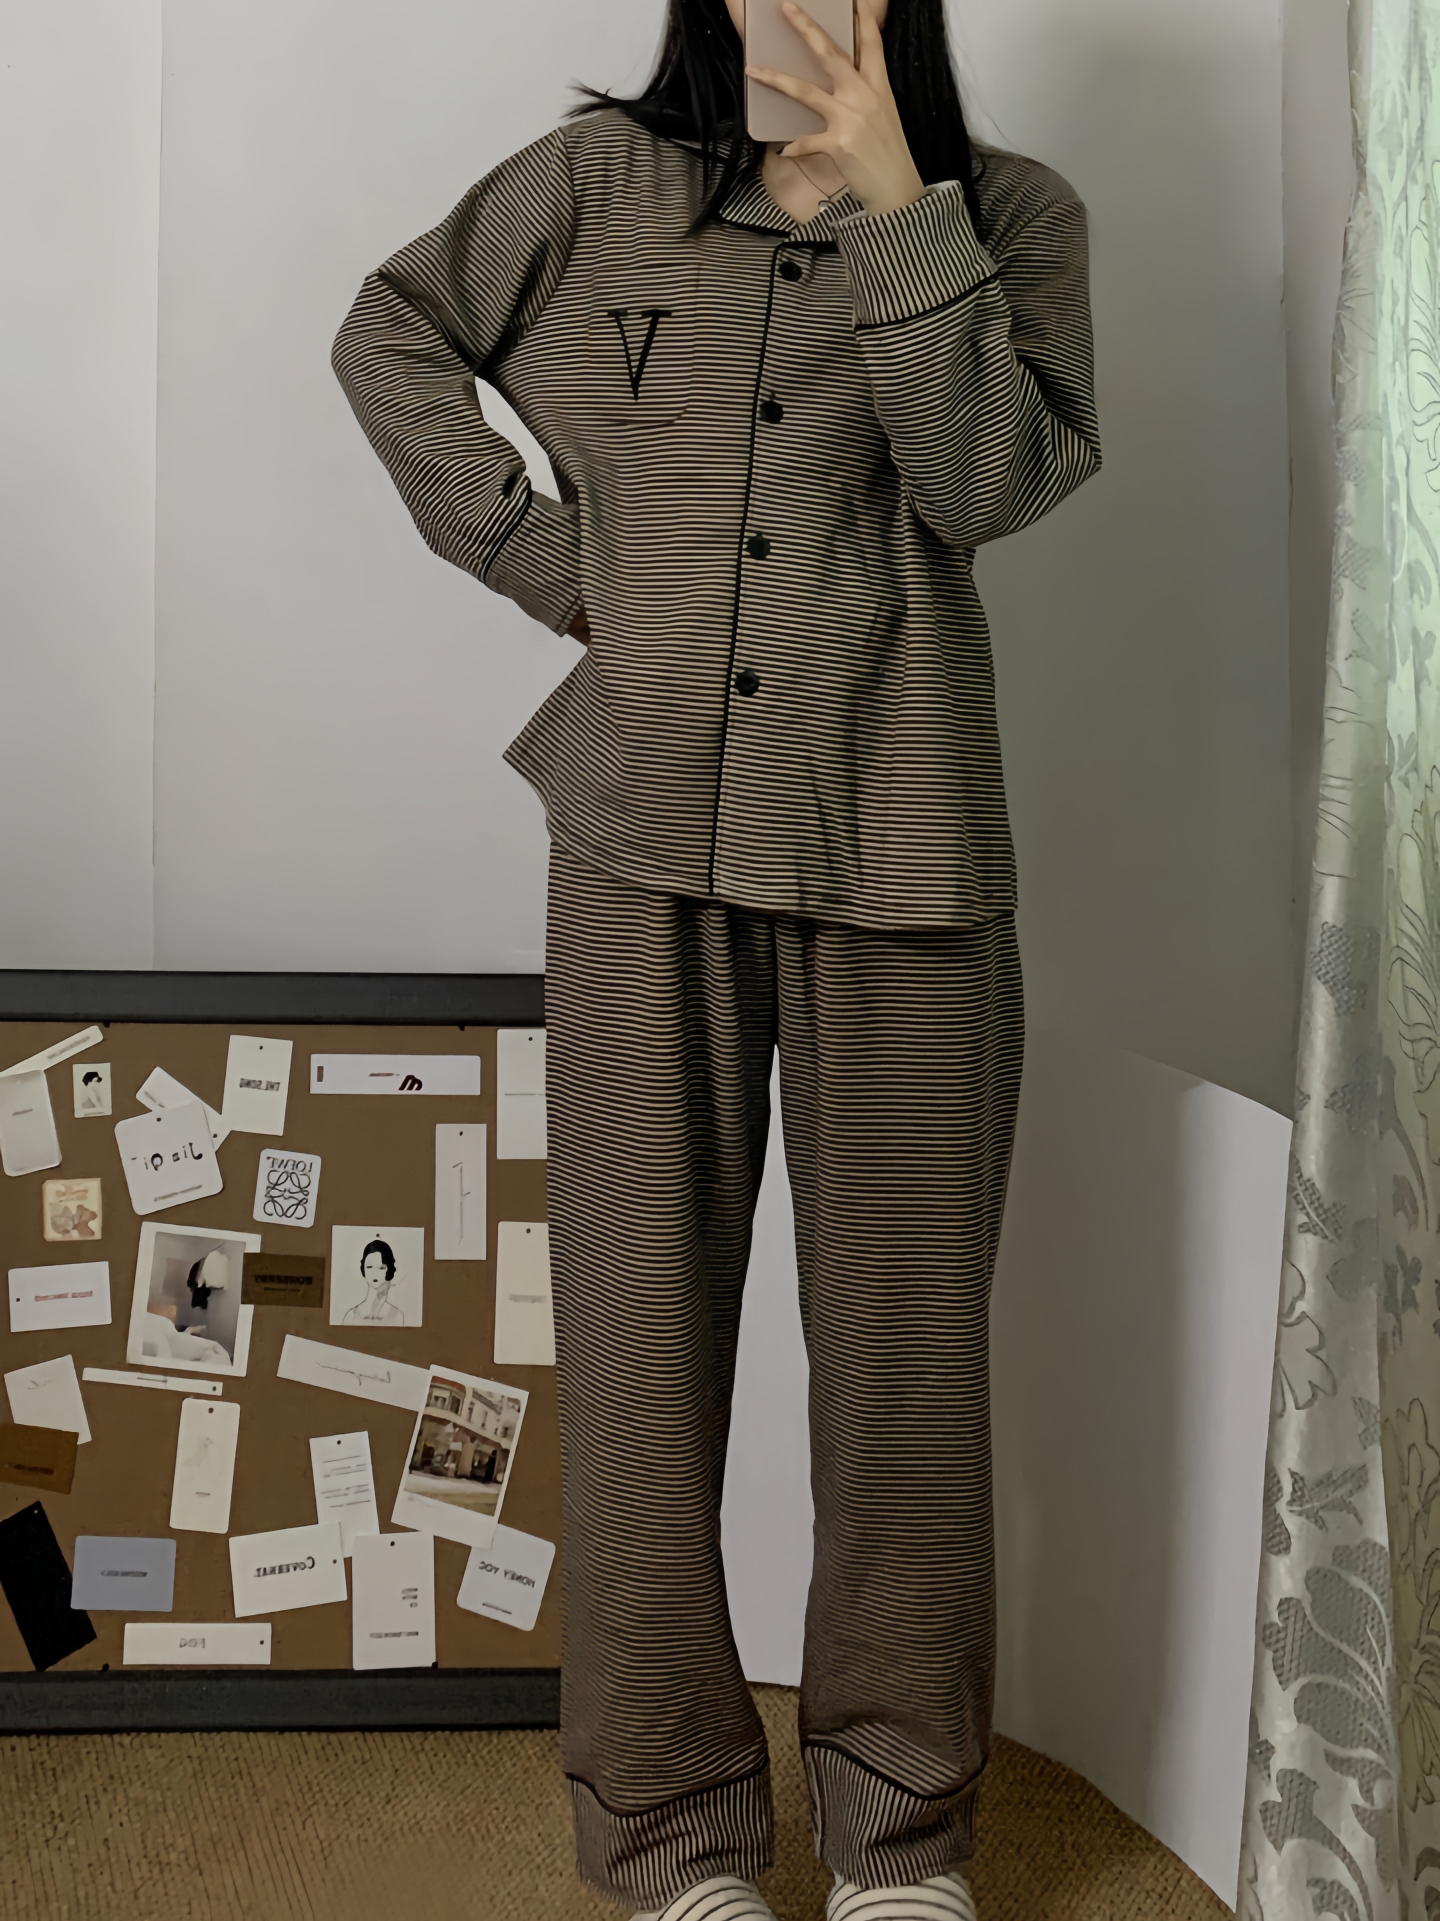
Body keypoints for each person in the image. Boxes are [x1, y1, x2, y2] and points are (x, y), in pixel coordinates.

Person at [332, 0, 1100, 1914]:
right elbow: (390, 332)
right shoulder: (592, 186)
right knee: (639, 1351)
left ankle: (900, 1835)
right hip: (636, 844)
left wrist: (900, 209)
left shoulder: (1013, 214)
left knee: (908, 1371)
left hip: (908, 852)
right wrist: (545, 557)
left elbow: (987, 486)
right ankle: (674, 1835)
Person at [342, 1238, 406, 1326]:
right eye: (369, 1267)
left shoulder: (396, 1316)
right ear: (363, 1269)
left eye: (381, 1268)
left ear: (389, 1270)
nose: (374, 1273)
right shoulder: (351, 1316)